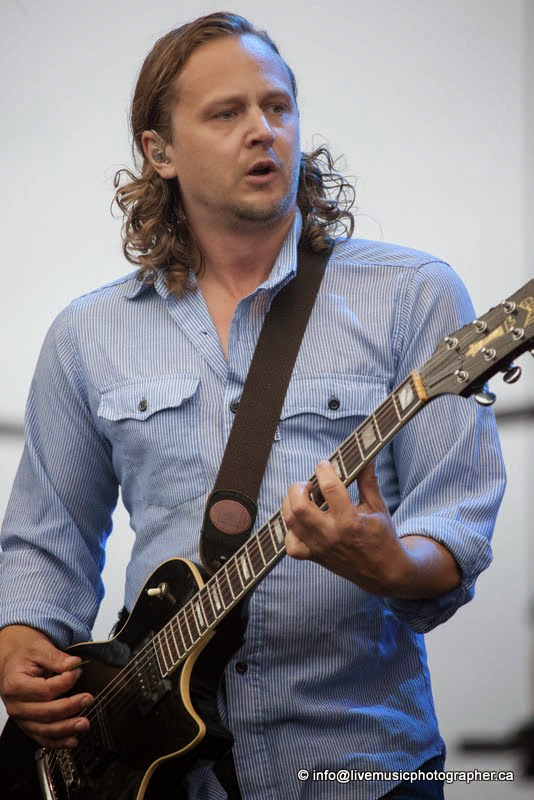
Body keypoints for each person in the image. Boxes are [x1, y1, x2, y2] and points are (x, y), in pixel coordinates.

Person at [0, 11, 506, 800]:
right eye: (226, 113)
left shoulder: (414, 294)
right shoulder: (87, 334)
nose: (262, 130)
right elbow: (47, 539)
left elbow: (455, 520)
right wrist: (18, 641)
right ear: (160, 152)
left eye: (277, 107)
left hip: (359, 769)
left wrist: (393, 565)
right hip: (149, 776)